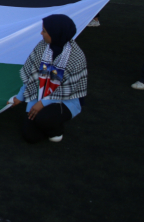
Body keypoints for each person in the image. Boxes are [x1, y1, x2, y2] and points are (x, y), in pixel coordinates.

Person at [9, 15, 87, 143]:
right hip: (40, 95)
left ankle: (56, 129)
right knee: (30, 136)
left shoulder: (76, 56)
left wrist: (43, 103)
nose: (41, 33)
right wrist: (20, 97)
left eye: (44, 31)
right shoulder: (42, 47)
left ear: (55, 33)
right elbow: (32, 75)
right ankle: (46, 122)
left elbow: (68, 89)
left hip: (64, 101)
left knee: (44, 119)